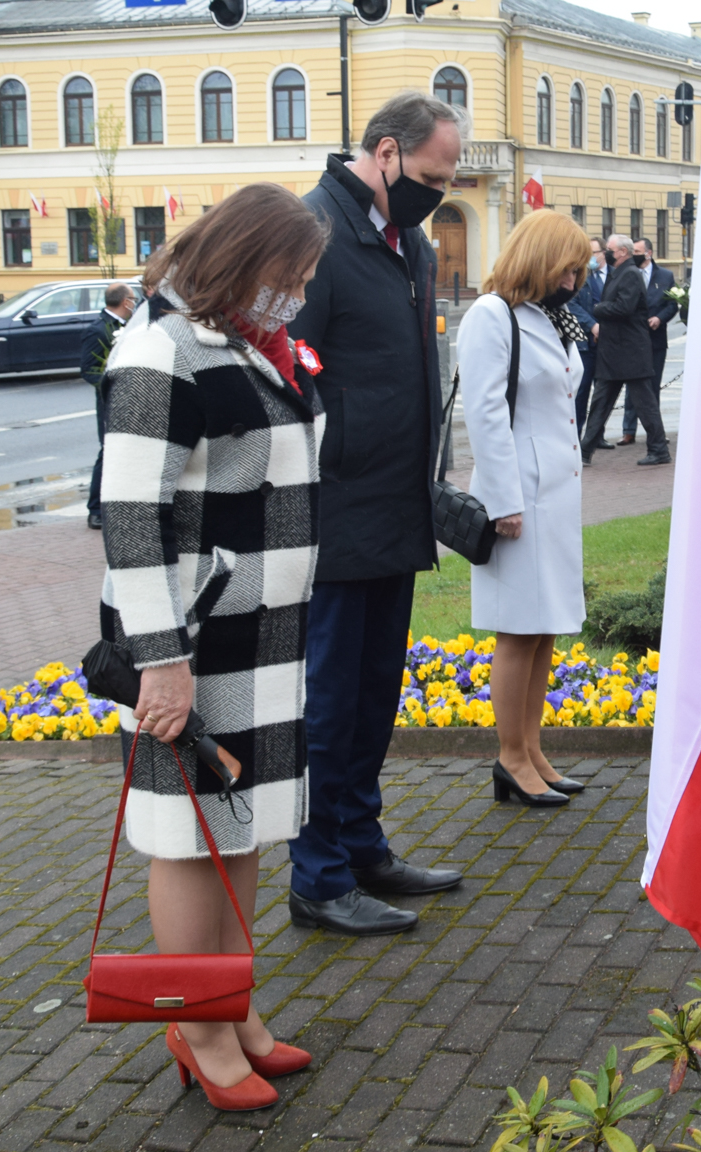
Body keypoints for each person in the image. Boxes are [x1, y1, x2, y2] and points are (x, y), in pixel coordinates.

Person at [103, 182, 330, 1113]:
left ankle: (230, 1010)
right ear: (247, 261)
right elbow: (130, 516)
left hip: (259, 634)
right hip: (192, 640)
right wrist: (161, 657)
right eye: (293, 274)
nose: (301, 293)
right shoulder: (162, 350)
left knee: (238, 829)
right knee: (188, 839)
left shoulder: (242, 342)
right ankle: (196, 1028)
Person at [285, 90, 467, 937]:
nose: (444, 186)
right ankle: (317, 877)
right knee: (329, 704)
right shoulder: (315, 234)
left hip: (395, 507)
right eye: (434, 171)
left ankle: (361, 845)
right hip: (335, 513)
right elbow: (293, 369)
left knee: (373, 696)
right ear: (386, 152)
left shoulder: (408, 240)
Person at [457, 210, 590, 807]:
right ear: (540, 256)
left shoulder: (549, 317)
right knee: (517, 628)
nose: (576, 277)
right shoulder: (493, 315)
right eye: (570, 264)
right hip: (519, 496)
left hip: (555, 495)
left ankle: (532, 749)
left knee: (545, 629)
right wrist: (503, 502)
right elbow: (484, 413)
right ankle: (510, 757)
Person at [579, 234, 670, 466]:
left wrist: (599, 308)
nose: (606, 253)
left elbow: (624, 307)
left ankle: (659, 450)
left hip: (630, 351)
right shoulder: (619, 272)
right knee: (601, 403)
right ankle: (584, 451)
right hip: (615, 352)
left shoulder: (629, 274)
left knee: (645, 404)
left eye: (609, 249)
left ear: (622, 252)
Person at [83, 281, 137, 530]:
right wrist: (110, 387)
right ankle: (95, 510)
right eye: (133, 298)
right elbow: (89, 370)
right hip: (110, 399)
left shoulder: (128, 325)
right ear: (125, 301)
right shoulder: (99, 329)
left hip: (129, 397)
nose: (135, 303)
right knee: (108, 451)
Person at [619, 237, 677, 446]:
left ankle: (655, 431)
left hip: (655, 339)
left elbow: (673, 304)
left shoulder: (665, 276)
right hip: (633, 339)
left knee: (652, 387)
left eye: (637, 251)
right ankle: (628, 431)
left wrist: (660, 318)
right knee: (632, 385)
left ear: (649, 253)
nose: (634, 255)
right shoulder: (627, 274)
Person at [566, 237, 604, 440]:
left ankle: (598, 436)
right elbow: (572, 305)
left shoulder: (613, 276)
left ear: (603, 253)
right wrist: (592, 325)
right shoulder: (578, 277)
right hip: (584, 344)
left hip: (606, 346)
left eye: (593, 253)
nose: (589, 258)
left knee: (602, 394)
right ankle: (576, 436)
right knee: (581, 394)